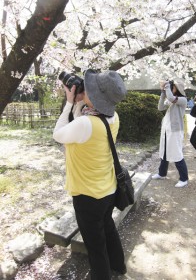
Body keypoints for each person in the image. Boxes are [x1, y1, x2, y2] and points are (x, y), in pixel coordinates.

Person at [53, 69, 127, 280]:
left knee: (95, 245)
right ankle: (119, 266)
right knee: (108, 229)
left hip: (87, 194)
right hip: (107, 187)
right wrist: (79, 104)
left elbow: (58, 134)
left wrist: (70, 102)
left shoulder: (85, 123)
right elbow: (81, 126)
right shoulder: (113, 117)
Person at [152, 79, 189, 188]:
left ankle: (184, 178)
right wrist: (163, 93)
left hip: (175, 131)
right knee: (164, 152)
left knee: (177, 153)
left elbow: (172, 98)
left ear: (178, 89)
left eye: (172, 87)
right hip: (166, 129)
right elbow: (160, 108)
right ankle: (162, 173)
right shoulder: (171, 99)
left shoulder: (183, 99)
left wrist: (166, 86)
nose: (171, 89)